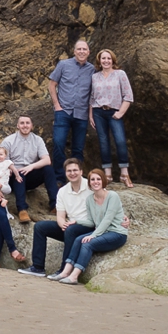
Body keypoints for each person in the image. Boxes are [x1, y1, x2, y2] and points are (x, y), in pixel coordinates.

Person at [22, 157, 92, 278]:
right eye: (69, 171)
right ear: (65, 173)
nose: (72, 173)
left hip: (88, 227)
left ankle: (64, 270)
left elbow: (106, 201)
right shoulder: (63, 191)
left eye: (75, 170)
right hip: (70, 227)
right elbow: (60, 216)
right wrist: (62, 224)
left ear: (81, 171)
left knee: (71, 230)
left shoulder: (91, 186)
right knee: (40, 227)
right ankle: (38, 267)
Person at [57, 168, 130, 284]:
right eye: (92, 180)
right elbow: (91, 222)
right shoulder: (90, 199)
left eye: (98, 179)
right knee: (78, 240)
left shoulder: (112, 196)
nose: (95, 182)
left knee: (87, 243)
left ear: (103, 181)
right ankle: (65, 272)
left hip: (117, 233)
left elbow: (107, 220)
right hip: (104, 232)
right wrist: (76, 221)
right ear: (89, 183)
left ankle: (74, 276)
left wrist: (94, 235)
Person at [46, 40, 96, 179]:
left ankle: (77, 177)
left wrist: (91, 114)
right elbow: (52, 85)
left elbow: (93, 93)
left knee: (78, 149)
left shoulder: (92, 69)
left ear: (88, 52)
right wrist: (57, 106)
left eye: (84, 49)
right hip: (63, 112)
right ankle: (59, 177)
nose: (81, 51)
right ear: (74, 51)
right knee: (58, 143)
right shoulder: (63, 64)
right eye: (79, 49)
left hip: (81, 114)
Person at [89, 48, 134, 186]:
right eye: (103, 58)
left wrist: (120, 112)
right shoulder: (94, 77)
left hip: (114, 111)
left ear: (113, 60)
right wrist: (91, 115)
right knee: (103, 143)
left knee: (120, 141)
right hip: (98, 112)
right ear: (99, 61)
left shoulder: (120, 74)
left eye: (108, 58)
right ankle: (107, 174)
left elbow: (128, 96)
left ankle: (124, 174)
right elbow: (91, 98)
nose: (106, 61)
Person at [2, 115, 52, 223]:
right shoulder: (8, 141)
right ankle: (22, 210)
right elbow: (3, 162)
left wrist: (31, 166)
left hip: (30, 175)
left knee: (48, 169)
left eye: (27, 123)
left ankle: (55, 206)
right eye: (22, 123)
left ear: (32, 125)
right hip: (13, 177)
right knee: (19, 174)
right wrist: (14, 170)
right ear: (18, 126)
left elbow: (47, 160)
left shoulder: (38, 140)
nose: (25, 125)